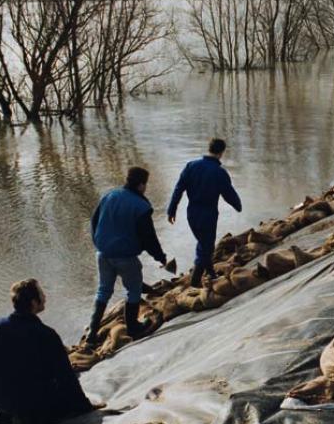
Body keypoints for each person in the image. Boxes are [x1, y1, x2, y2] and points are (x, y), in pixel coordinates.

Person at [0, 279, 94, 424]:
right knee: (65, 392)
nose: (45, 297)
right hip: (33, 406)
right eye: (42, 294)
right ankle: (26, 422)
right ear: (34, 303)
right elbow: (67, 378)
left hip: (0, 402)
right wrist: (86, 408)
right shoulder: (46, 334)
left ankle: (2, 418)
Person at [87, 166, 171, 345]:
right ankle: (133, 327)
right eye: (145, 184)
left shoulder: (109, 196)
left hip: (102, 253)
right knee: (133, 290)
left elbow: (94, 221)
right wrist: (160, 257)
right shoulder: (141, 206)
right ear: (141, 185)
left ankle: (91, 335)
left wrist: (98, 243)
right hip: (125, 256)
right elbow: (149, 237)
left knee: (103, 290)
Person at [167, 138, 243, 287]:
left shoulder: (191, 166)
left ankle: (211, 272)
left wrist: (172, 210)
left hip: (192, 213)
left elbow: (179, 188)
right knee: (206, 246)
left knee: (204, 244)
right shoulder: (219, 172)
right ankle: (195, 282)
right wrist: (238, 205)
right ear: (221, 152)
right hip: (208, 214)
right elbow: (228, 193)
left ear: (209, 149)